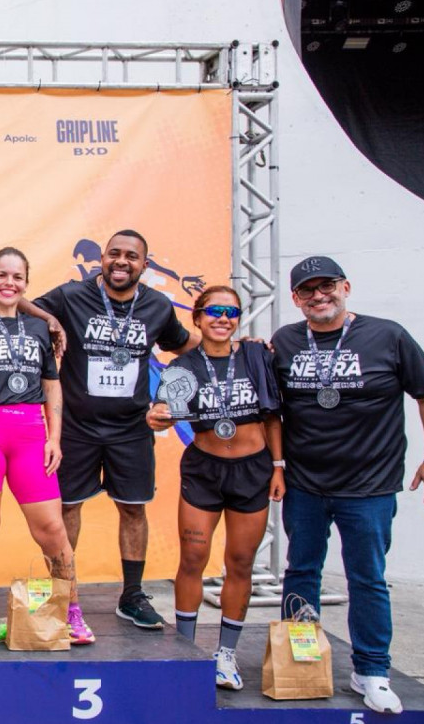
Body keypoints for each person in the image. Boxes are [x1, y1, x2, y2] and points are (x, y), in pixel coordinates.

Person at [271, 256, 424, 715]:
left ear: (346, 286)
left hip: (370, 486)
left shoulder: (388, 335)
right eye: (308, 290)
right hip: (305, 484)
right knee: (301, 572)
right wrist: (279, 467)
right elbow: (274, 413)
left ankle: (372, 672)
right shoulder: (284, 341)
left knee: (367, 579)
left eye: (327, 287)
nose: (319, 296)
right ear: (296, 298)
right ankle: (300, 663)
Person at [33, 230, 198, 629]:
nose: (121, 262)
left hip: (131, 428)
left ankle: (132, 595)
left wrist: (239, 347)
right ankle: (62, 593)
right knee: (68, 507)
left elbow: (186, 345)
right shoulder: (72, 296)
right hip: (76, 426)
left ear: (144, 263)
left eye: (132, 256)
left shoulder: (157, 306)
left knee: (133, 507)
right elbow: (21, 305)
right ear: (102, 259)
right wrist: (50, 318)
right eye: (114, 254)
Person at [146, 286, 285, 690]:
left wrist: (278, 467)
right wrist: (158, 417)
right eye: (213, 311)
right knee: (192, 558)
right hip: (204, 470)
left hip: (252, 470)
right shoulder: (182, 366)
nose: (223, 318)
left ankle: (226, 655)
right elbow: (163, 412)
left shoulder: (257, 356)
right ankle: (185, 652)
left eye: (231, 312)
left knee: (239, 564)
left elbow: (273, 418)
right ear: (198, 317)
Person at [0, 247, 90, 645]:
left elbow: (52, 385)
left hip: (30, 434)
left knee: (51, 528)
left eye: (17, 277)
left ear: (26, 284)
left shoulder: (37, 328)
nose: (8, 283)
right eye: (1, 275)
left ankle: (72, 610)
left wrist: (55, 437)